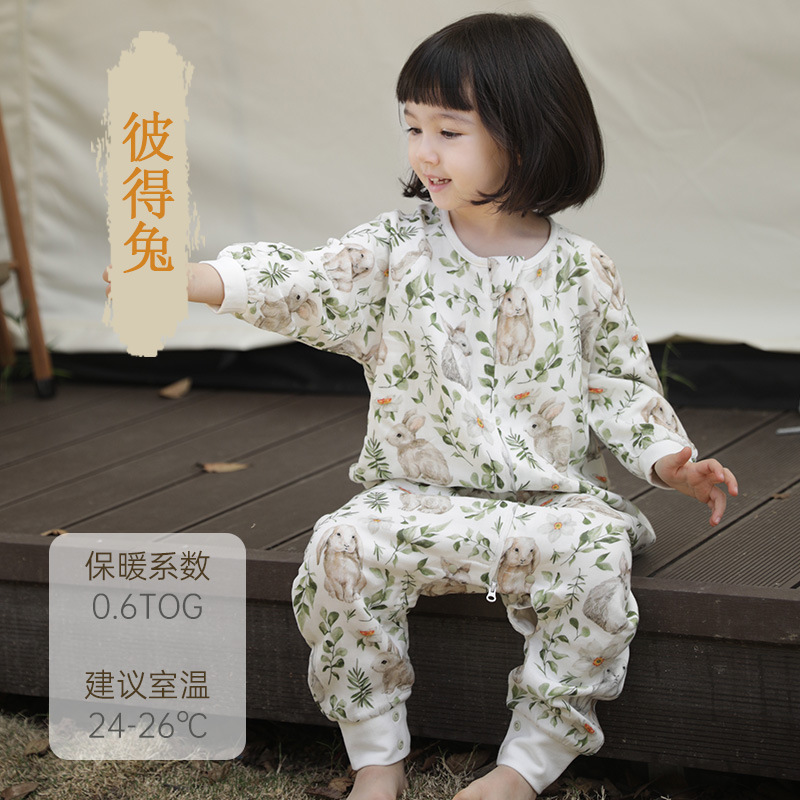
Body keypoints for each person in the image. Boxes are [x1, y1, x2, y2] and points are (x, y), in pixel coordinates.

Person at [105, 12, 738, 800]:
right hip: (416, 499)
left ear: (526, 135)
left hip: (549, 506)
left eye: (448, 130)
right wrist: (193, 280)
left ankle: (526, 764)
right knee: (339, 547)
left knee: (597, 564)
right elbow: (305, 281)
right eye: (412, 127)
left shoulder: (583, 271)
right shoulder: (395, 251)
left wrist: (670, 463)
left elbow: (619, 385)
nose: (423, 151)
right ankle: (376, 758)